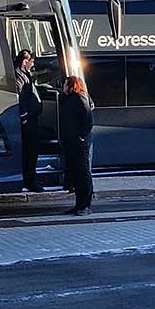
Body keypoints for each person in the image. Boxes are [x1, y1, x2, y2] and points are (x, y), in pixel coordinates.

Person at [59, 74, 95, 215]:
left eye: (66, 84)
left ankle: (85, 205)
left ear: (71, 86)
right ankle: (79, 204)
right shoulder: (69, 99)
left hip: (79, 142)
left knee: (82, 173)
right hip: (71, 142)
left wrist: (81, 136)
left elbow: (88, 120)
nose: (63, 87)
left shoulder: (80, 99)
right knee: (76, 174)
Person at [14, 50, 47, 192]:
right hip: (28, 121)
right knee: (30, 151)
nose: (33, 64)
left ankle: (31, 176)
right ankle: (29, 179)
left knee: (33, 150)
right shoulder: (19, 76)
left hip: (31, 119)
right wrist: (25, 117)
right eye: (31, 61)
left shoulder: (25, 74)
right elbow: (20, 98)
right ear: (24, 61)